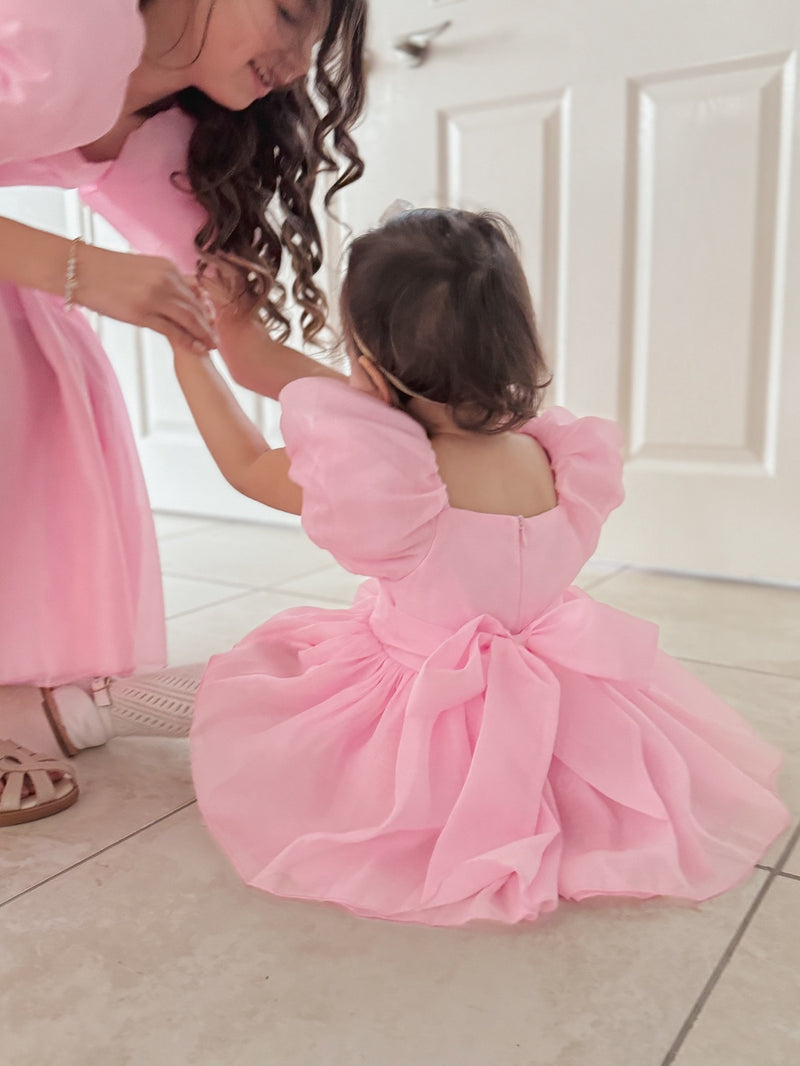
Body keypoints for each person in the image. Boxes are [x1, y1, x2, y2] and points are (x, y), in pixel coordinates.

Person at [174, 206, 789, 926]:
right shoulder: (560, 457)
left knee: (265, 680)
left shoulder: (398, 486)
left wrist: (189, 355)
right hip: (559, 690)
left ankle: (100, 707)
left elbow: (248, 465)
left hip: (425, 700)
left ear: (370, 375)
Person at [0, 0, 367, 826]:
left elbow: (241, 344)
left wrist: (409, 423)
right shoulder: (69, 24)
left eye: (316, 38)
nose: (301, 59)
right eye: (289, 13)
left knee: (43, 342)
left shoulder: (171, 135)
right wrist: (78, 268)